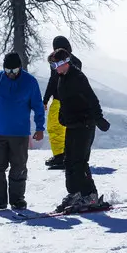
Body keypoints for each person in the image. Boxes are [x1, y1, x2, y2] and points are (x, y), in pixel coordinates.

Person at [0, 53, 45, 212]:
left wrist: (39, 127)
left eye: (14, 70)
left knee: (18, 168)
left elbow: (38, 106)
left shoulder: (30, 82)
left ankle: (17, 200)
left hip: (19, 134)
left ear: (20, 68)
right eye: (7, 70)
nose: (11, 74)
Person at [51, 47, 110, 212]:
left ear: (65, 63)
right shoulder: (62, 77)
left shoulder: (78, 77)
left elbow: (91, 98)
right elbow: (65, 100)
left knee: (79, 161)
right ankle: (75, 192)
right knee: (68, 161)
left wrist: (98, 118)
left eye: (57, 64)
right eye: (53, 66)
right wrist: (63, 115)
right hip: (72, 125)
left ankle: (90, 194)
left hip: (85, 124)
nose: (55, 68)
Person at [42, 35, 82, 170]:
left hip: (60, 100)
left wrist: (46, 99)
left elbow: (53, 80)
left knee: (54, 127)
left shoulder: (56, 60)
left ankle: (60, 155)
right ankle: (69, 155)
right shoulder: (77, 61)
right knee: (67, 128)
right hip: (73, 101)